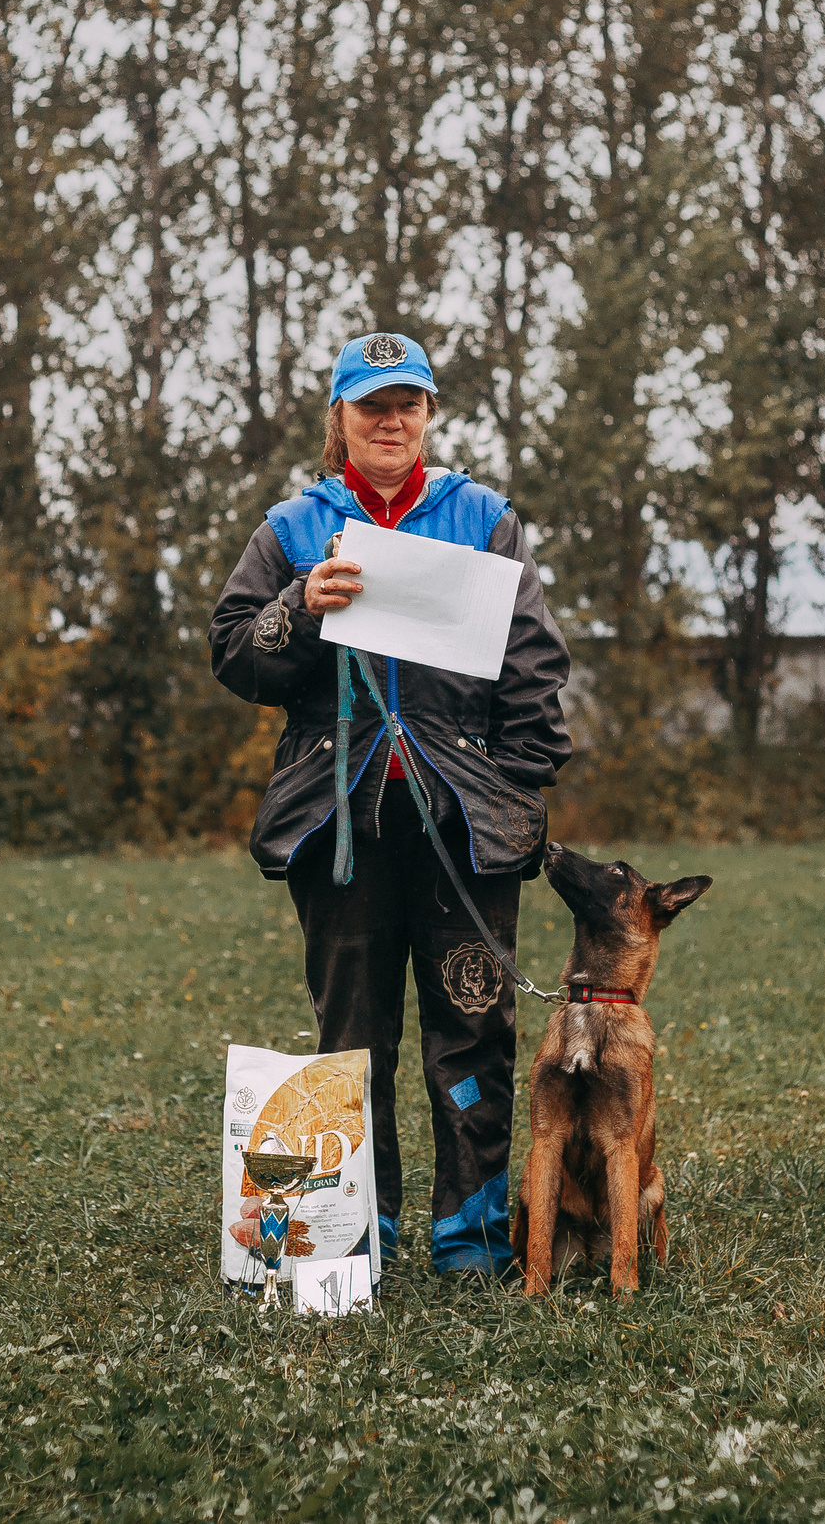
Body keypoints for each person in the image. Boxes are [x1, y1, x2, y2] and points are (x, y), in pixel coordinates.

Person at [209, 333, 570, 1278]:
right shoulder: (293, 527)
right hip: (342, 827)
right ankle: (352, 1234)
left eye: (408, 401)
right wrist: (298, 603)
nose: (391, 419)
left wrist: (520, 796)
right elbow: (235, 651)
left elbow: (532, 665)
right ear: (340, 418)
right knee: (353, 1034)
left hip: (461, 822)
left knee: (474, 1021)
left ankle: (474, 1238)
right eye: (371, 403)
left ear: (430, 415)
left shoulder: (483, 516)